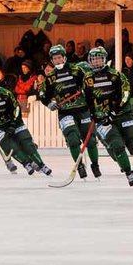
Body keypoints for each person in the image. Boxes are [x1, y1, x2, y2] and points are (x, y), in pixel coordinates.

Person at [83, 47, 133, 187]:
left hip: (124, 114)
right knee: (117, 146)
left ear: (104, 59)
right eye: (93, 59)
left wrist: (113, 111)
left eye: (98, 58)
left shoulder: (116, 75)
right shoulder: (88, 79)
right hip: (104, 119)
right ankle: (129, 173)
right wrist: (95, 114)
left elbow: (125, 94)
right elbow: (88, 99)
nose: (96, 61)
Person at [38, 45, 100, 179]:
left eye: (59, 57)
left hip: (83, 110)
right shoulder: (50, 77)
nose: (58, 60)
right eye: (55, 58)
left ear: (64, 57)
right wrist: (49, 103)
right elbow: (43, 94)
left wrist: (87, 90)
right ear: (52, 61)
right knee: (72, 140)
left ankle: (95, 165)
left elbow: (89, 83)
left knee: (90, 141)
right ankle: (80, 166)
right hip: (65, 113)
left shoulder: (76, 70)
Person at [0, 72, 52, 176]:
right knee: (11, 147)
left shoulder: (6, 93)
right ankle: (26, 163)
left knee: (27, 143)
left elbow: (16, 108)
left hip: (15, 123)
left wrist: (12, 124)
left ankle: (41, 165)